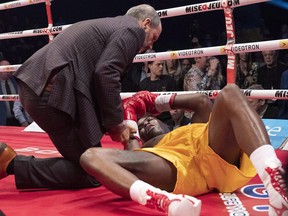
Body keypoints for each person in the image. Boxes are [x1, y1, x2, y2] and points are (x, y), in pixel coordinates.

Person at [0, 4, 162, 189]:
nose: (151, 45)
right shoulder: (133, 30)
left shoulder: (110, 26)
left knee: (95, 163)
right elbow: (107, 73)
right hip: (52, 94)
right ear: (146, 24)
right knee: (96, 170)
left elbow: (97, 76)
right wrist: (117, 125)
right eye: (153, 37)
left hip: (36, 86)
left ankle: (10, 162)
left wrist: (112, 124)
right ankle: (10, 163)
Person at [79, 85, 288, 215]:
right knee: (89, 156)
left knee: (231, 92)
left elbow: (200, 101)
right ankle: (162, 201)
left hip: (218, 156)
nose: (146, 124)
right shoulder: (151, 147)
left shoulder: (196, 125)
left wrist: (153, 102)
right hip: (176, 168)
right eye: (142, 126)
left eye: (149, 119)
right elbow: (130, 154)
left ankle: (275, 181)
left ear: (164, 122)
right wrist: (132, 128)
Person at [0, 59, 20, 126]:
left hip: (18, 120)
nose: (7, 71)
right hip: (3, 121)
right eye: (4, 69)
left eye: (9, 69)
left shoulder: (16, 81)